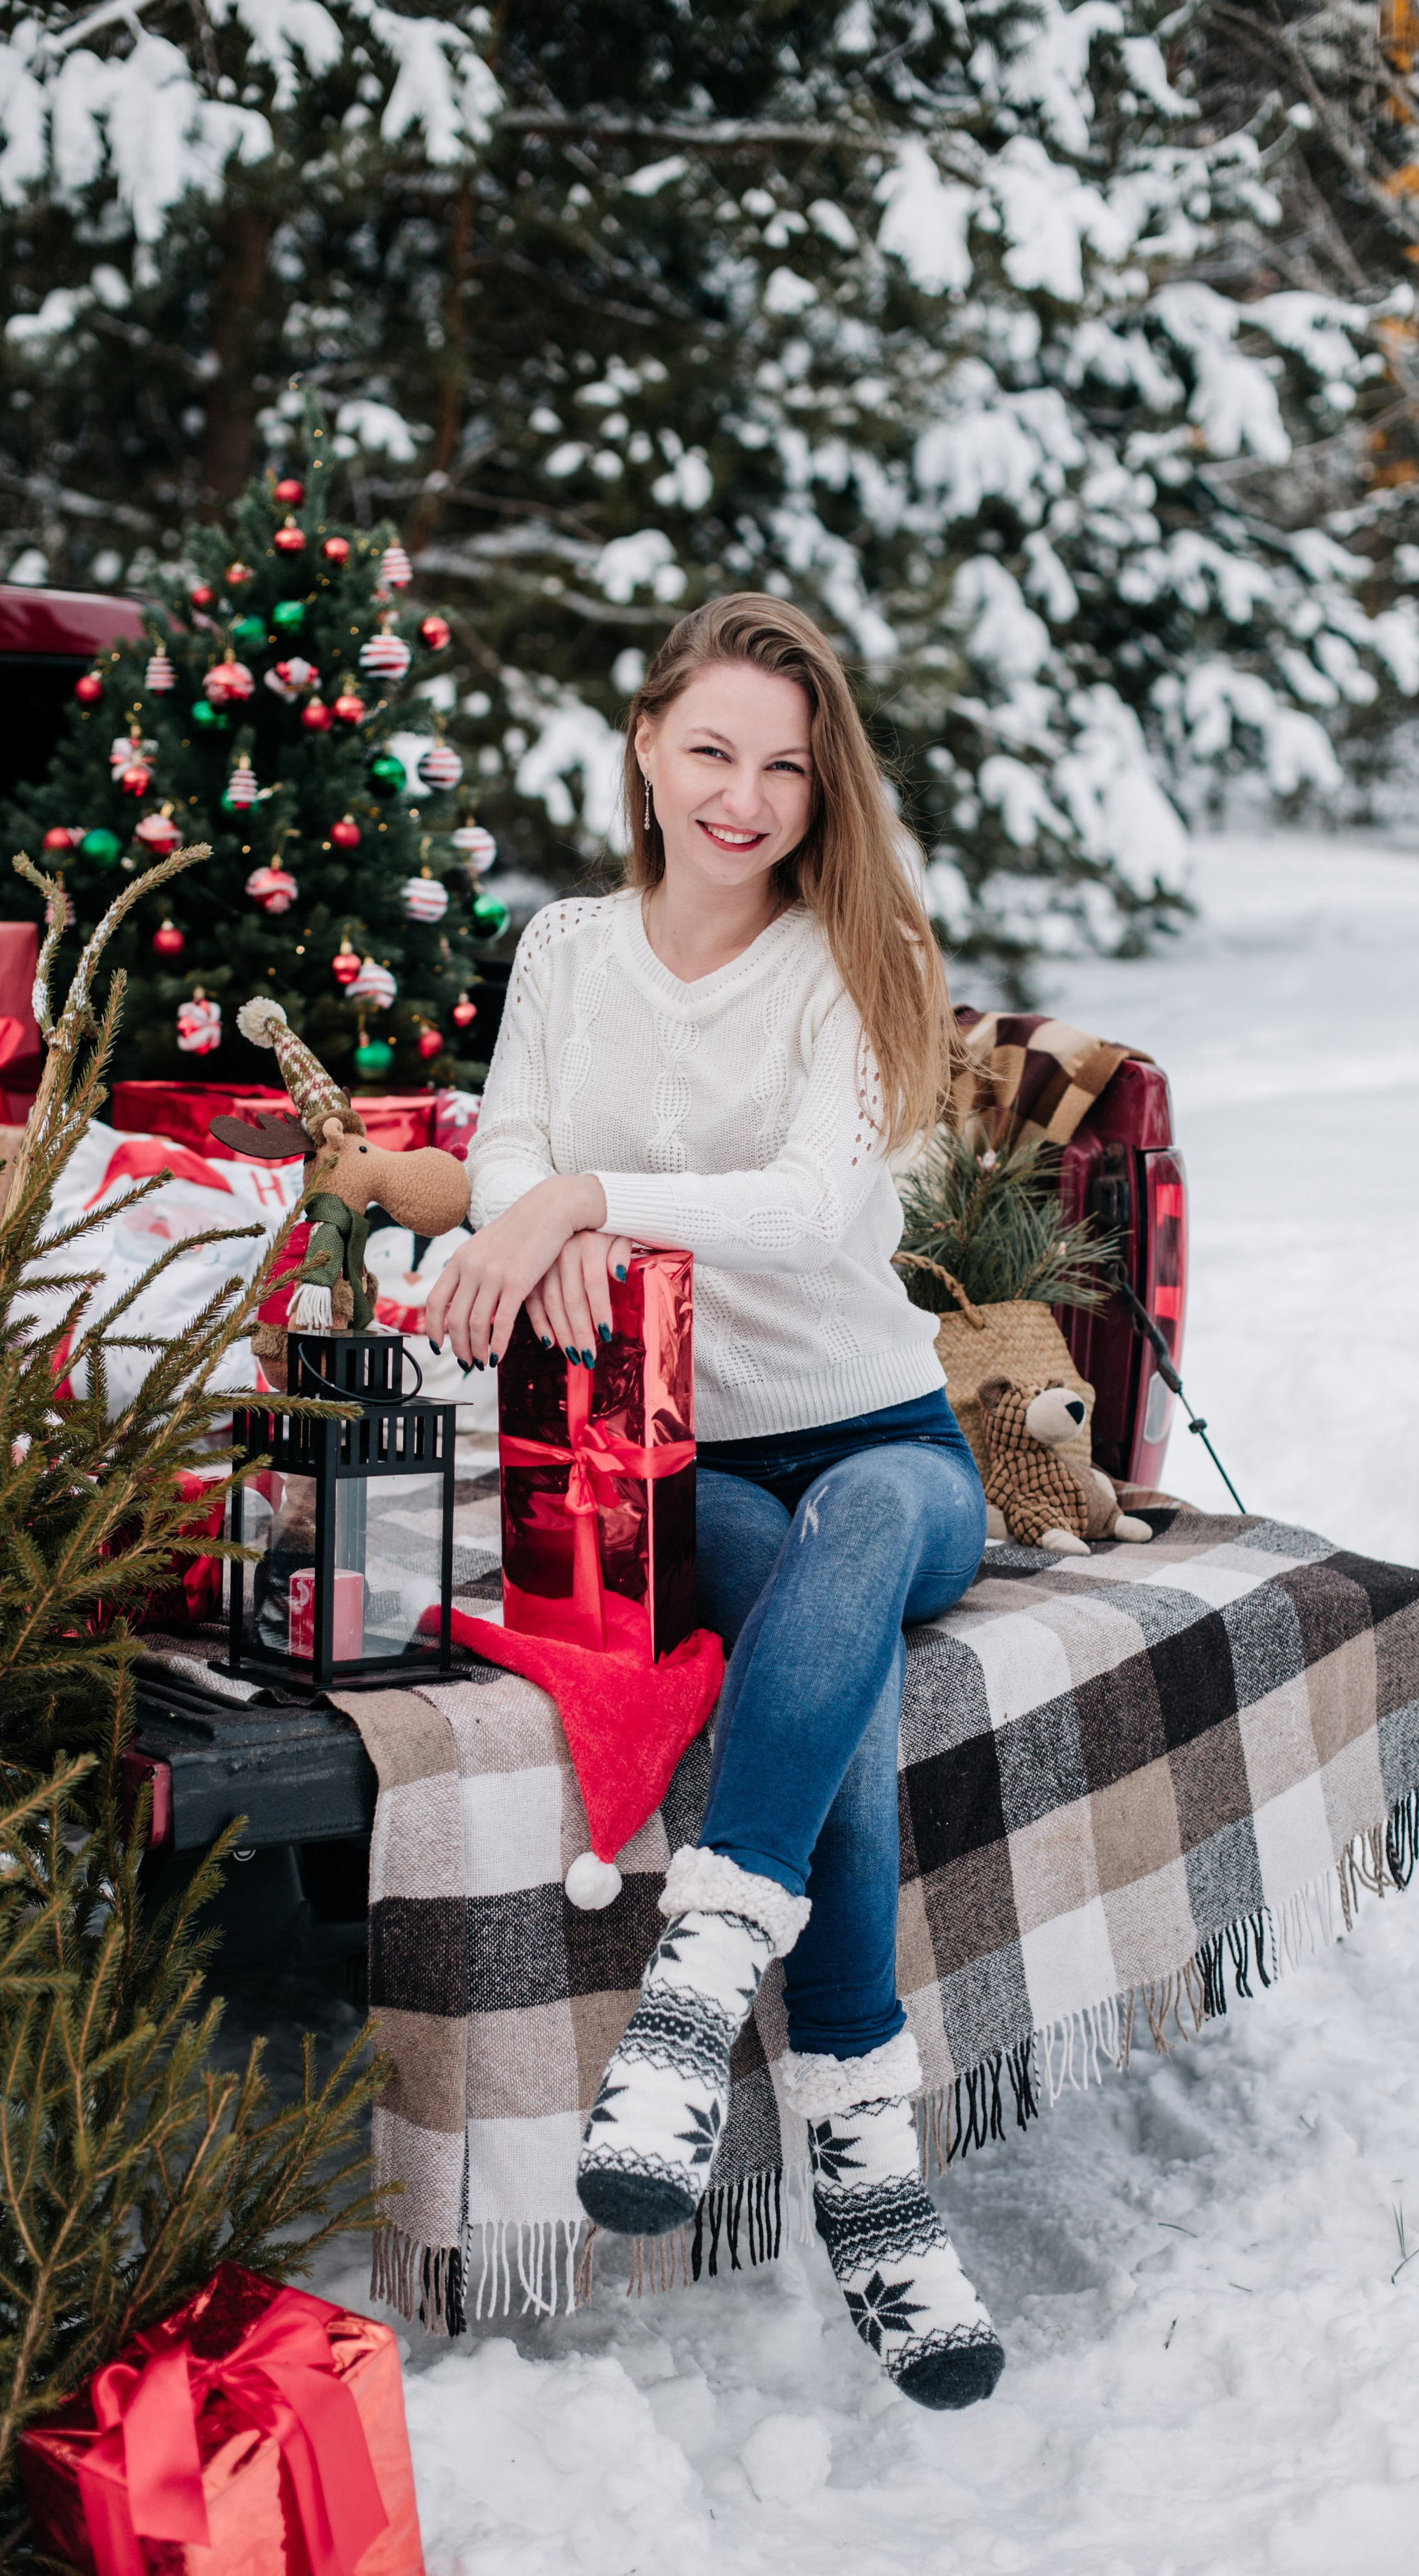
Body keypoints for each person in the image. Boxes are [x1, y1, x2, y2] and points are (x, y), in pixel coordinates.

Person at [423, 593, 1003, 2411]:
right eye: (712, 753)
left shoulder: (858, 953)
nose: (744, 798)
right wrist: (535, 1197)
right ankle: (873, 2172)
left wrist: (585, 1197)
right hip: (687, 1454)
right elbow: (508, 1136)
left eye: (785, 767)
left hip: (890, 1438)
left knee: (859, 1546)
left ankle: (698, 1991)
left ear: (823, 791)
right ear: (646, 753)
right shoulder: (568, 950)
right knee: (813, 1682)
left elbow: (818, 1212)